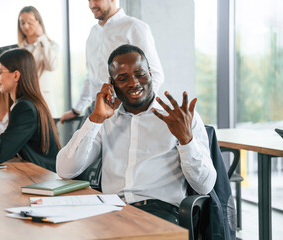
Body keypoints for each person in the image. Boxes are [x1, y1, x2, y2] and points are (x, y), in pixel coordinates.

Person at [56, 45, 217, 224]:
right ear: (112, 83)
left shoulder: (180, 118)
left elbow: (205, 186)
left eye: (140, 74)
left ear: (150, 73)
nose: (134, 83)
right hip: (111, 209)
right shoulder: (106, 120)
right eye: (123, 78)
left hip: (161, 212)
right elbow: (65, 170)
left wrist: (186, 140)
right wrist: (95, 119)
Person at [60, 0, 164, 122]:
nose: (91, 5)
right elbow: (91, 75)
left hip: (124, 111)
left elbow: (155, 74)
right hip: (96, 108)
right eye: (89, 0)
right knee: (79, 140)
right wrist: (77, 110)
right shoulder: (93, 32)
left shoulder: (134, 27)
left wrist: (137, 111)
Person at [17, 6, 59, 116]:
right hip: (23, 99)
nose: (25, 26)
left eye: (29, 22)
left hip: (44, 99)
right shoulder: (17, 49)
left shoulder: (51, 45)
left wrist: (42, 37)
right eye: (22, 22)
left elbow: (51, 66)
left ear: (38, 22)